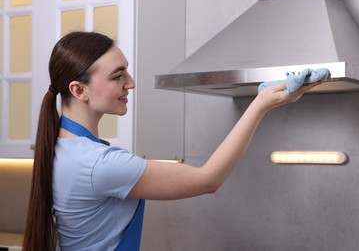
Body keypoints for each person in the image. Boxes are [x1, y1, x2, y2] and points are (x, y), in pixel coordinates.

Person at [22, 31, 321, 251]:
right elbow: (209, 179)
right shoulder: (100, 165)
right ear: (79, 90)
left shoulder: (63, 148)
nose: (131, 82)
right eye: (117, 76)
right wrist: (260, 104)